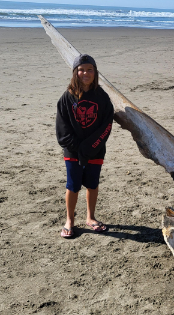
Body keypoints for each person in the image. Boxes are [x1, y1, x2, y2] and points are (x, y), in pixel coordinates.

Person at [55, 54, 114, 238]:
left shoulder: (102, 97)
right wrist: (78, 149)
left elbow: (107, 125)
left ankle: (90, 217)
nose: (85, 73)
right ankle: (70, 220)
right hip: (72, 151)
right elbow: (62, 129)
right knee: (73, 185)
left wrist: (90, 147)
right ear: (75, 72)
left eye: (90, 69)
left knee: (92, 184)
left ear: (95, 73)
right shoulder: (67, 98)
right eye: (81, 69)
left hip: (96, 149)